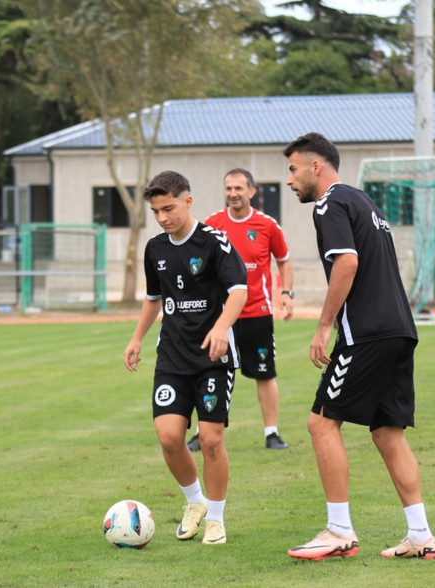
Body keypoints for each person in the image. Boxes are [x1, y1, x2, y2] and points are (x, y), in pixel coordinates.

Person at [282, 132, 435, 560]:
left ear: (317, 166)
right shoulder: (365, 203)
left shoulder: (330, 203)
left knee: (321, 423)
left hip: (366, 333)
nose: (290, 180)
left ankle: (339, 531)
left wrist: (322, 326)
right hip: (399, 330)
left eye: (293, 169)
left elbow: (347, 262)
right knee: (388, 433)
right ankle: (421, 535)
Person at [123, 170, 247, 545]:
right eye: (157, 211)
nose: (163, 218)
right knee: (169, 438)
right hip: (172, 359)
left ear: (188, 201)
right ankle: (195, 502)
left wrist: (221, 327)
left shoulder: (215, 243)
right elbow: (153, 299)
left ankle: (217, 518)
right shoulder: (155, 249)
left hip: (213, 357)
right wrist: (136, 338)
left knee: (210, 440)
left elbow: (239, 291)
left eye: (169, 208)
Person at [187, 168, 293, 452]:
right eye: (229, 189)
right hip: (221, 318)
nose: (233, 193)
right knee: (209, 372)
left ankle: (272, 433)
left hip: (258, 313)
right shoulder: (212, 224)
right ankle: (201, 431)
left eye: (239, 189)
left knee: (264, 374)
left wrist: (286, 293)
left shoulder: (267, 225)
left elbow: (284, 260)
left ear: (252, 192)